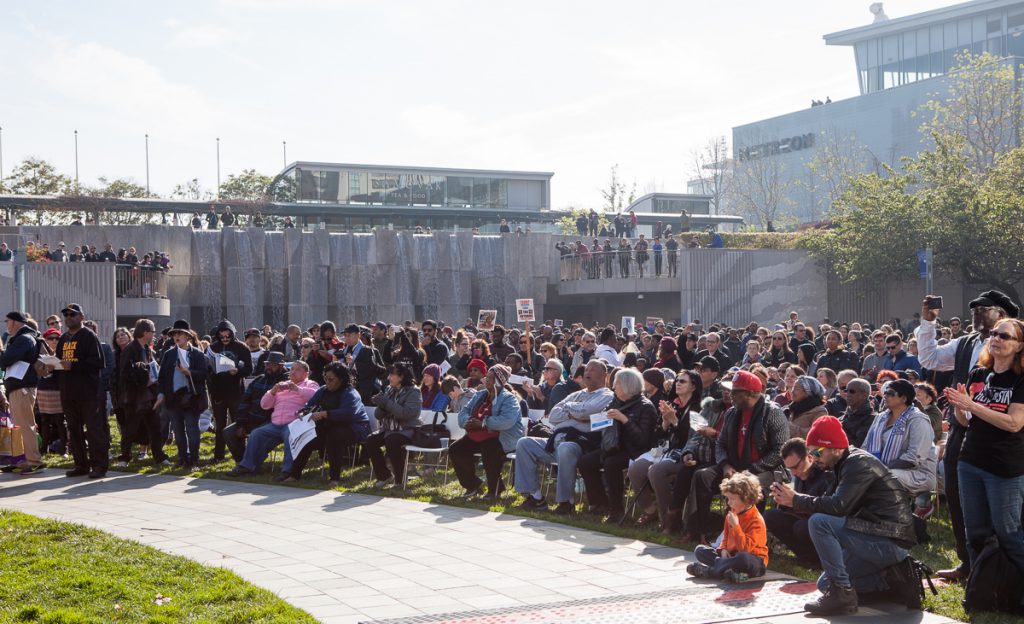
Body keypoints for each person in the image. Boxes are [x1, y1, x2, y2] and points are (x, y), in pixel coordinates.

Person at [917, 290, 1019, 583]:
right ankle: (969, 564)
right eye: (973, 310)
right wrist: (928, 323)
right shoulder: (966, 343)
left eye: (983, 310)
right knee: (959, 495)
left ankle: (1003, 571)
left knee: (1001, 509)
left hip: (1001, 435)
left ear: (1002, 315)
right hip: (964, 429)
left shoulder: (1016, 354)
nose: (975, 314)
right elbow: (930, 358)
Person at [771, 416, 920, 615]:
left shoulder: (858, 463)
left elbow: (838, 507)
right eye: (811, 452)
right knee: (825, 584)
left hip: (889, 539)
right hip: (873, 535)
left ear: (835, 448)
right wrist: (790, 501)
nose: (814, 458)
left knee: (819, 523)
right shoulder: (839, 465)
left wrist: (796, 500)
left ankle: (843, 593)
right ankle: (890, 580)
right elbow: (827, 503)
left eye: (817, 452)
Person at [943, 317, 1024, 586]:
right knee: (975, 531)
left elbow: (1013, 424)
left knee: (1008, 532)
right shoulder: (978, 374)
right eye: (993, 334)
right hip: (970, 461)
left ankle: (1017, 586)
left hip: (1004, 467)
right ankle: (982, 586)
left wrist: (972, 405)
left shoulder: (1020, 380)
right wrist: (959, 405)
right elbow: (967, 421)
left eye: (1004, 336)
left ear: (1019, 345)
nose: (996, 339)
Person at [689, 371, 788, 538]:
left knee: (745, 484)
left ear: (750, 394)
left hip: (763, 469)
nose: (730, 395)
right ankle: (701, 530)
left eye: (735, 392)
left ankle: (742, 535)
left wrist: (751, 470)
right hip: (734, 465)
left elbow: (780, 450)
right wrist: (725, 465)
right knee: (702, 476)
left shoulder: (772, 413)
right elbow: (721, 443)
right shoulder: (732, 413)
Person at [515, 360, 614, 514]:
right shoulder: (577, 394)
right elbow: (554, 414)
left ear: (604, 376)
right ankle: (536, 497)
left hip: (581, 443)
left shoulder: (606, 395)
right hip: (557, 439)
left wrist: (570, 411)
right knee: (524, 443)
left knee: (565, 448)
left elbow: (589, 411)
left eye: (593, 370)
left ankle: (566, 503)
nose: (587, 373)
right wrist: (576, 413)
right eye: (586, 370)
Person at [578, 368, 658, 523]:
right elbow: (601, 423)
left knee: (611, 463)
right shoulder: (615, 401)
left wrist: (625, 420)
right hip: (613, 446)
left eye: (617, 384)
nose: (614, 388)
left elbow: (643, 440)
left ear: (628, 386)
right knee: (585, 461)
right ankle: (599, 504)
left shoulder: (645, 406)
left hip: (635, 450)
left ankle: (617, 510)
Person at [631, 369, 701, 529]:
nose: (677, 383)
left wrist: (675, 421)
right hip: (664, 449)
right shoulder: (672, 403)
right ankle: (650, 510)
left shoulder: (698, 408)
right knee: (635, 468)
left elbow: (692, 439)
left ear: (693, 386)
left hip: (684, 453)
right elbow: (657, 435)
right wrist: (664, 423)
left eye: (682, 381)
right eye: (677, 380)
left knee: (655, 471)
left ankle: (668, 521)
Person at [226, 360, 318, 479]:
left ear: (306, 374)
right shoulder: (282, 385)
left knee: (291, 435)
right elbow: (264, 405)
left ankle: (288, 471)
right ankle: (247, 466)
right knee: (256, 434)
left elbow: (315, 396)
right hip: (275, 423)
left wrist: (297, 389)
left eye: (297, 369)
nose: (293, 372)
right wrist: (272, 392)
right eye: (292, 369)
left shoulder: (310, 384)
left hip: (294, 423)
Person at [286, 362, 370, 485]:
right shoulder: (323, 390)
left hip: (354, 428)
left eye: (331, 379)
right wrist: (303, 412)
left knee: (334, 437)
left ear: (341, 379)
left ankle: (335, 478)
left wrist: (325, 414)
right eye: (325, 378)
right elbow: (310, 405)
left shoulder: (350, 393)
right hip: (329, 426)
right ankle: (294, 474)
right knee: (307, 436)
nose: (327, 382)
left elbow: (349, 413)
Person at [450, 364, 525, 499]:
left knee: (489, 449)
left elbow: (507, 420)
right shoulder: (480, 395)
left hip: (500, 437)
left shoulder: (509, 399)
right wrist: (467, 422)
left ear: (499, 381)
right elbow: (464, 412)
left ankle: (494, 489)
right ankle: (472, 485)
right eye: (487, 377)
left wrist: (484, 423)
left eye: (490, 378)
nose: (486, 379)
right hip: (477, 434)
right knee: (456, 449)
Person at [51, 304, 107, 479]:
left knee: (93, 430)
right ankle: (81, 465)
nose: (68, 317)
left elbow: (98, 362)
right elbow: (60, 361)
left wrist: (73, 365)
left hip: (88, 392)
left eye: (72, 314)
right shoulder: (63, 338)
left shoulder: (89, 336)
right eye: (66, 315)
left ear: (81, 317)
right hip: (68, 392)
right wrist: (49, 367)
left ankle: (99, 465)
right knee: (74, 430)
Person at [687, 472, 768, 583]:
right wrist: (723, 550)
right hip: (731, 556)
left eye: (732, 499)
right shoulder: (733, 513)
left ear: (746, 499)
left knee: (743, 558)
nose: (729, 503)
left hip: (753, 560)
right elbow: (725, 537)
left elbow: (745, 549)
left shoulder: (756, 520)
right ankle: (732, 572)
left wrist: (736, 526)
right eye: (728, 499)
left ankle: (711, 572)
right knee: (700, 550)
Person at [862, 379, 937, 500]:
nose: (885, 395)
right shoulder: (881, 417)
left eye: (890, 393)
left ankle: (892, 514)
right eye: (885, 392)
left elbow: (914, 458)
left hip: (918, 474)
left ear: (904, 398)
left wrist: (880, 469)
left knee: (882, 478)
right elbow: (865, 447)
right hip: (884, 468)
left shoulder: (918, 420)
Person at [763, 438, 831, 566]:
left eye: (796, 467)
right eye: (790, 469)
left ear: (810, 457)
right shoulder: (800, 475)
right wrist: (784, 500)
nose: (794, 472)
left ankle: (819, 559)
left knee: (802, 527)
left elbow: (826, 509)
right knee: (770, 516)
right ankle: (806, 557)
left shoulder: (825, 475)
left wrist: (794, 501)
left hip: (821, 523)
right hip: (804, 518)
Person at [115, 319, 169, 468]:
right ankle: (124, 458)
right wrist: (145, 381)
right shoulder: (130, 349)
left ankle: (159, 456)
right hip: (134, 397)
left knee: (155, 427)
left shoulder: (147, 349)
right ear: (145, 332)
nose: (154, 334)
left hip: (149, 396)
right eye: (152, 331)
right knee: (130, 429)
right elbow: (125, 373)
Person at [157, 321, 209, 471]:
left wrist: (189, 373)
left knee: (192, 429)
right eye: (174, 334)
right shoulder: (168, 354)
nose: (176, 336)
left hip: (192, 399)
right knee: (178, 431)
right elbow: (162, 377)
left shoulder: (198, 354)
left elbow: (204, 375)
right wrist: (161, 393)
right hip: (173, 399)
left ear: (187, 336)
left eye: (179, 334)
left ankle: (193, 459)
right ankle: (182, 458)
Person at [364, 363, 423, 487]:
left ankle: (400, 481)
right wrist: (380, 404)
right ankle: (384, 476)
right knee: (370, 440)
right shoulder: (389, 390)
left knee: (392, 441)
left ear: (401, 377)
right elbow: (378, 415)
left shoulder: (414, 392)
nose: (389, 378)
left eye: (392, 375)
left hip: (407, 430)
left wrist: (386, 403)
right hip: (388, 428)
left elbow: (406, 414)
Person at [224, 351, 287, 464]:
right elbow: (244, 403)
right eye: (267, 364)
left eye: (273, 365)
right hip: (251, 419)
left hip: (270, 421)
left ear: (281, 366)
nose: (268, 367)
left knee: (257, 433)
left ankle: (249, 463)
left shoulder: (285, 381)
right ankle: (242, 462)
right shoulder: (259, 379)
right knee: (228, 432)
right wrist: (241, 424)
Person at [0, 311, 43, 475]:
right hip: (18, 387)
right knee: (20, 426)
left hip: (23, 387)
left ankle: (34, 461)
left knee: (26, 425)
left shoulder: (24, 339)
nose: (6, 325)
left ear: (15, 322)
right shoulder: (21, 339)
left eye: (7, 321)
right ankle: (23, 459)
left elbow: (5, 360)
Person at [208, 320, 253, 461]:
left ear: (232, 334)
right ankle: (219, 455)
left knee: (238, 424)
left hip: (236, 392)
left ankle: (241, 456)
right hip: (218, 392)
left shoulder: (242, 348)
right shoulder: (213, 347)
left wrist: (238, 371)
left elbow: (249, 369)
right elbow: (207, 370)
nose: (225, 339)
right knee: (219, 424)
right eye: (222, 337)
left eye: (227, 336)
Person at [340, 323, 385, 403]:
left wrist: (354, 364)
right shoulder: (343, 351)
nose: (346, 338)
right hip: (349, 391)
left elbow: (378, 370)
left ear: (358, 335)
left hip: (366, 392)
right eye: (345, 335)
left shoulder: (369, 350)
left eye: (349, 335)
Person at [839, 378, 875, 447]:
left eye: (852, 391)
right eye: (846, 391)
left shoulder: (871, 419)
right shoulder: (843, 417)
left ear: (864, 395)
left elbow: (858, 444)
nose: (847, 394)